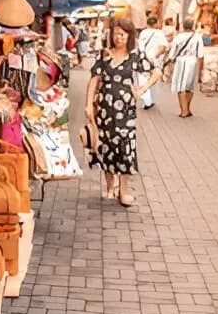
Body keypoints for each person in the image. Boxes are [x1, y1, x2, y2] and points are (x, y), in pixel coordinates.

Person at [85, 17, 162, 207]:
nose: (118, 37)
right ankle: (110, 187)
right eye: (116, 33)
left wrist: (141, 90)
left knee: (126, 147)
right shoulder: (104, 55)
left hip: (126, 112)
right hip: (104, 110)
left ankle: (124, 190)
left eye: (122, 34)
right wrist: (88, 105)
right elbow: (94, 79)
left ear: (129, 36)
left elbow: (156, 72)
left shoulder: (135, 56)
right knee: (106, 146)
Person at [167, 17, 203, 118]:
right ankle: (186, 108)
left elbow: (172, 54)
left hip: (181, 62)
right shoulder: (197, 37)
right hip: (193, 62)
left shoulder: (178, 37)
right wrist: (200, 69)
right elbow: (200, 54)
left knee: (181, 86)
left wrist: (170, 64)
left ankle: (184, 110)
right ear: (193, 26)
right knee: (190, 87)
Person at [137, 17, 169, 110]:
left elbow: (140, 46)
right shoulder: (160, 33)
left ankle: (146, 101)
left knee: (143, 77)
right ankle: (151, 100)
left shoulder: (143, 33)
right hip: (155, 59)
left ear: (147, 24)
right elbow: (163, 47)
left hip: (143, 58)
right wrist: (157, 56)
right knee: (154, 80)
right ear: (156, 23)